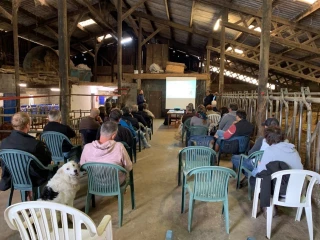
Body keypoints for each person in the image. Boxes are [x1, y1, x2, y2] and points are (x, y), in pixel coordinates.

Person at [0, 112, 53, 197]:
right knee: (51, 170)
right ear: (27, 125)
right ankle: (41, 198)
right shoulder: (35, 144)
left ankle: (26, 196)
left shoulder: (4, 143)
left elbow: (2, 163)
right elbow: (47, 161)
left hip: (12, 177)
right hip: (33, 179)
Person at [231, 118, 280, 186]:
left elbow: (250, 154)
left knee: (235, 158)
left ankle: (250, 175)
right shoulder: (283, 141)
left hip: (258, 164)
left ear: (266, 127)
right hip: (274, 168)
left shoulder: (262, 140)